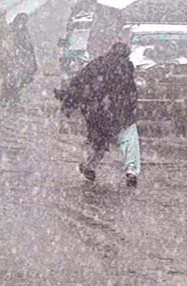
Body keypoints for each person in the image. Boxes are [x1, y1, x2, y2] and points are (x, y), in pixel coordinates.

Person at [56, 42, 141, 187]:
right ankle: (131, 170)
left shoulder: (97, 64)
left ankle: (90, 165)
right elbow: (131, 91)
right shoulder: (126, 67)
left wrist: (69, 100)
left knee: (98, 140)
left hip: (97, 110)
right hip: (119, 111)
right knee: (129, 138)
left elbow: (79, 82)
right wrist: (131, 108)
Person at [5, 12, 37, 105]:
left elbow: (28, 45)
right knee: (14, 78)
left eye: (24, 20)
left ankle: (14, 96)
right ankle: (12, 97)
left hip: (23, 58)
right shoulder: (12, 30)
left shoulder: (24, 30)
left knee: (23, 77)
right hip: (15, 58)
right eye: (21, 20)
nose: (22, 22)